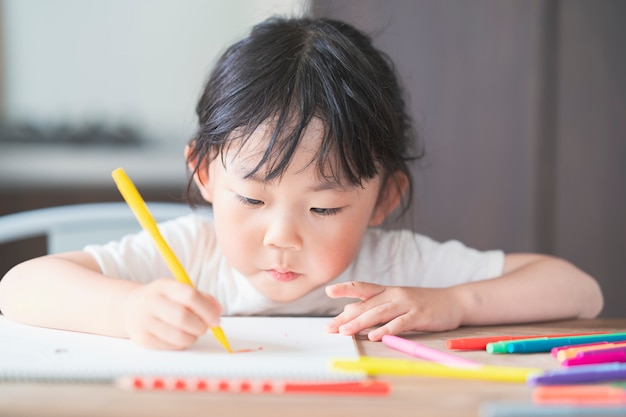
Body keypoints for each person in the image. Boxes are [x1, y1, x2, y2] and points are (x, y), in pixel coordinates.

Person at [0, 17, 603, 350]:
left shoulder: (393, 266)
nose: (282, 236)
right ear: (205, 173)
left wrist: (451, 303)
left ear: (383, 199)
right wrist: (131, 308)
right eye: (253, 199)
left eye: (324, 208)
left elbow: (578, 291)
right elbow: (20, 285)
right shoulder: (189, 251)